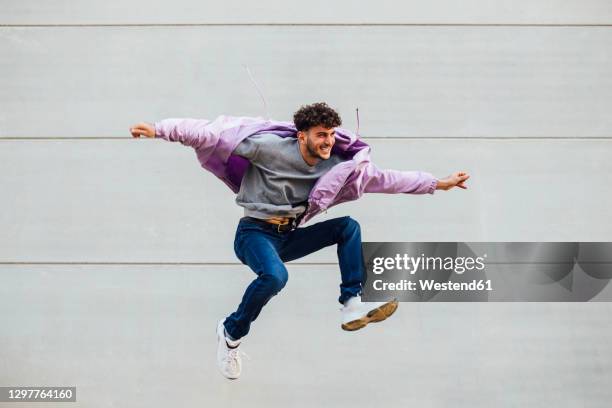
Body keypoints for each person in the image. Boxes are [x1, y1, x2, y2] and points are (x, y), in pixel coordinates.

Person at [130, 102, 469, 380]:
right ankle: (231, 333)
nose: (328, 142)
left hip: (288, 235)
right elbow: (208, 135)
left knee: (346, 227)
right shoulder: (268, 148)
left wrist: (437, 183)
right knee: (276, 277)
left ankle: (351, 301)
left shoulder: (336, 163)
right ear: (301, 135)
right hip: (254, 233)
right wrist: (160, 129)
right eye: (321, 135)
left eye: (332, 135)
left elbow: (384, 178)